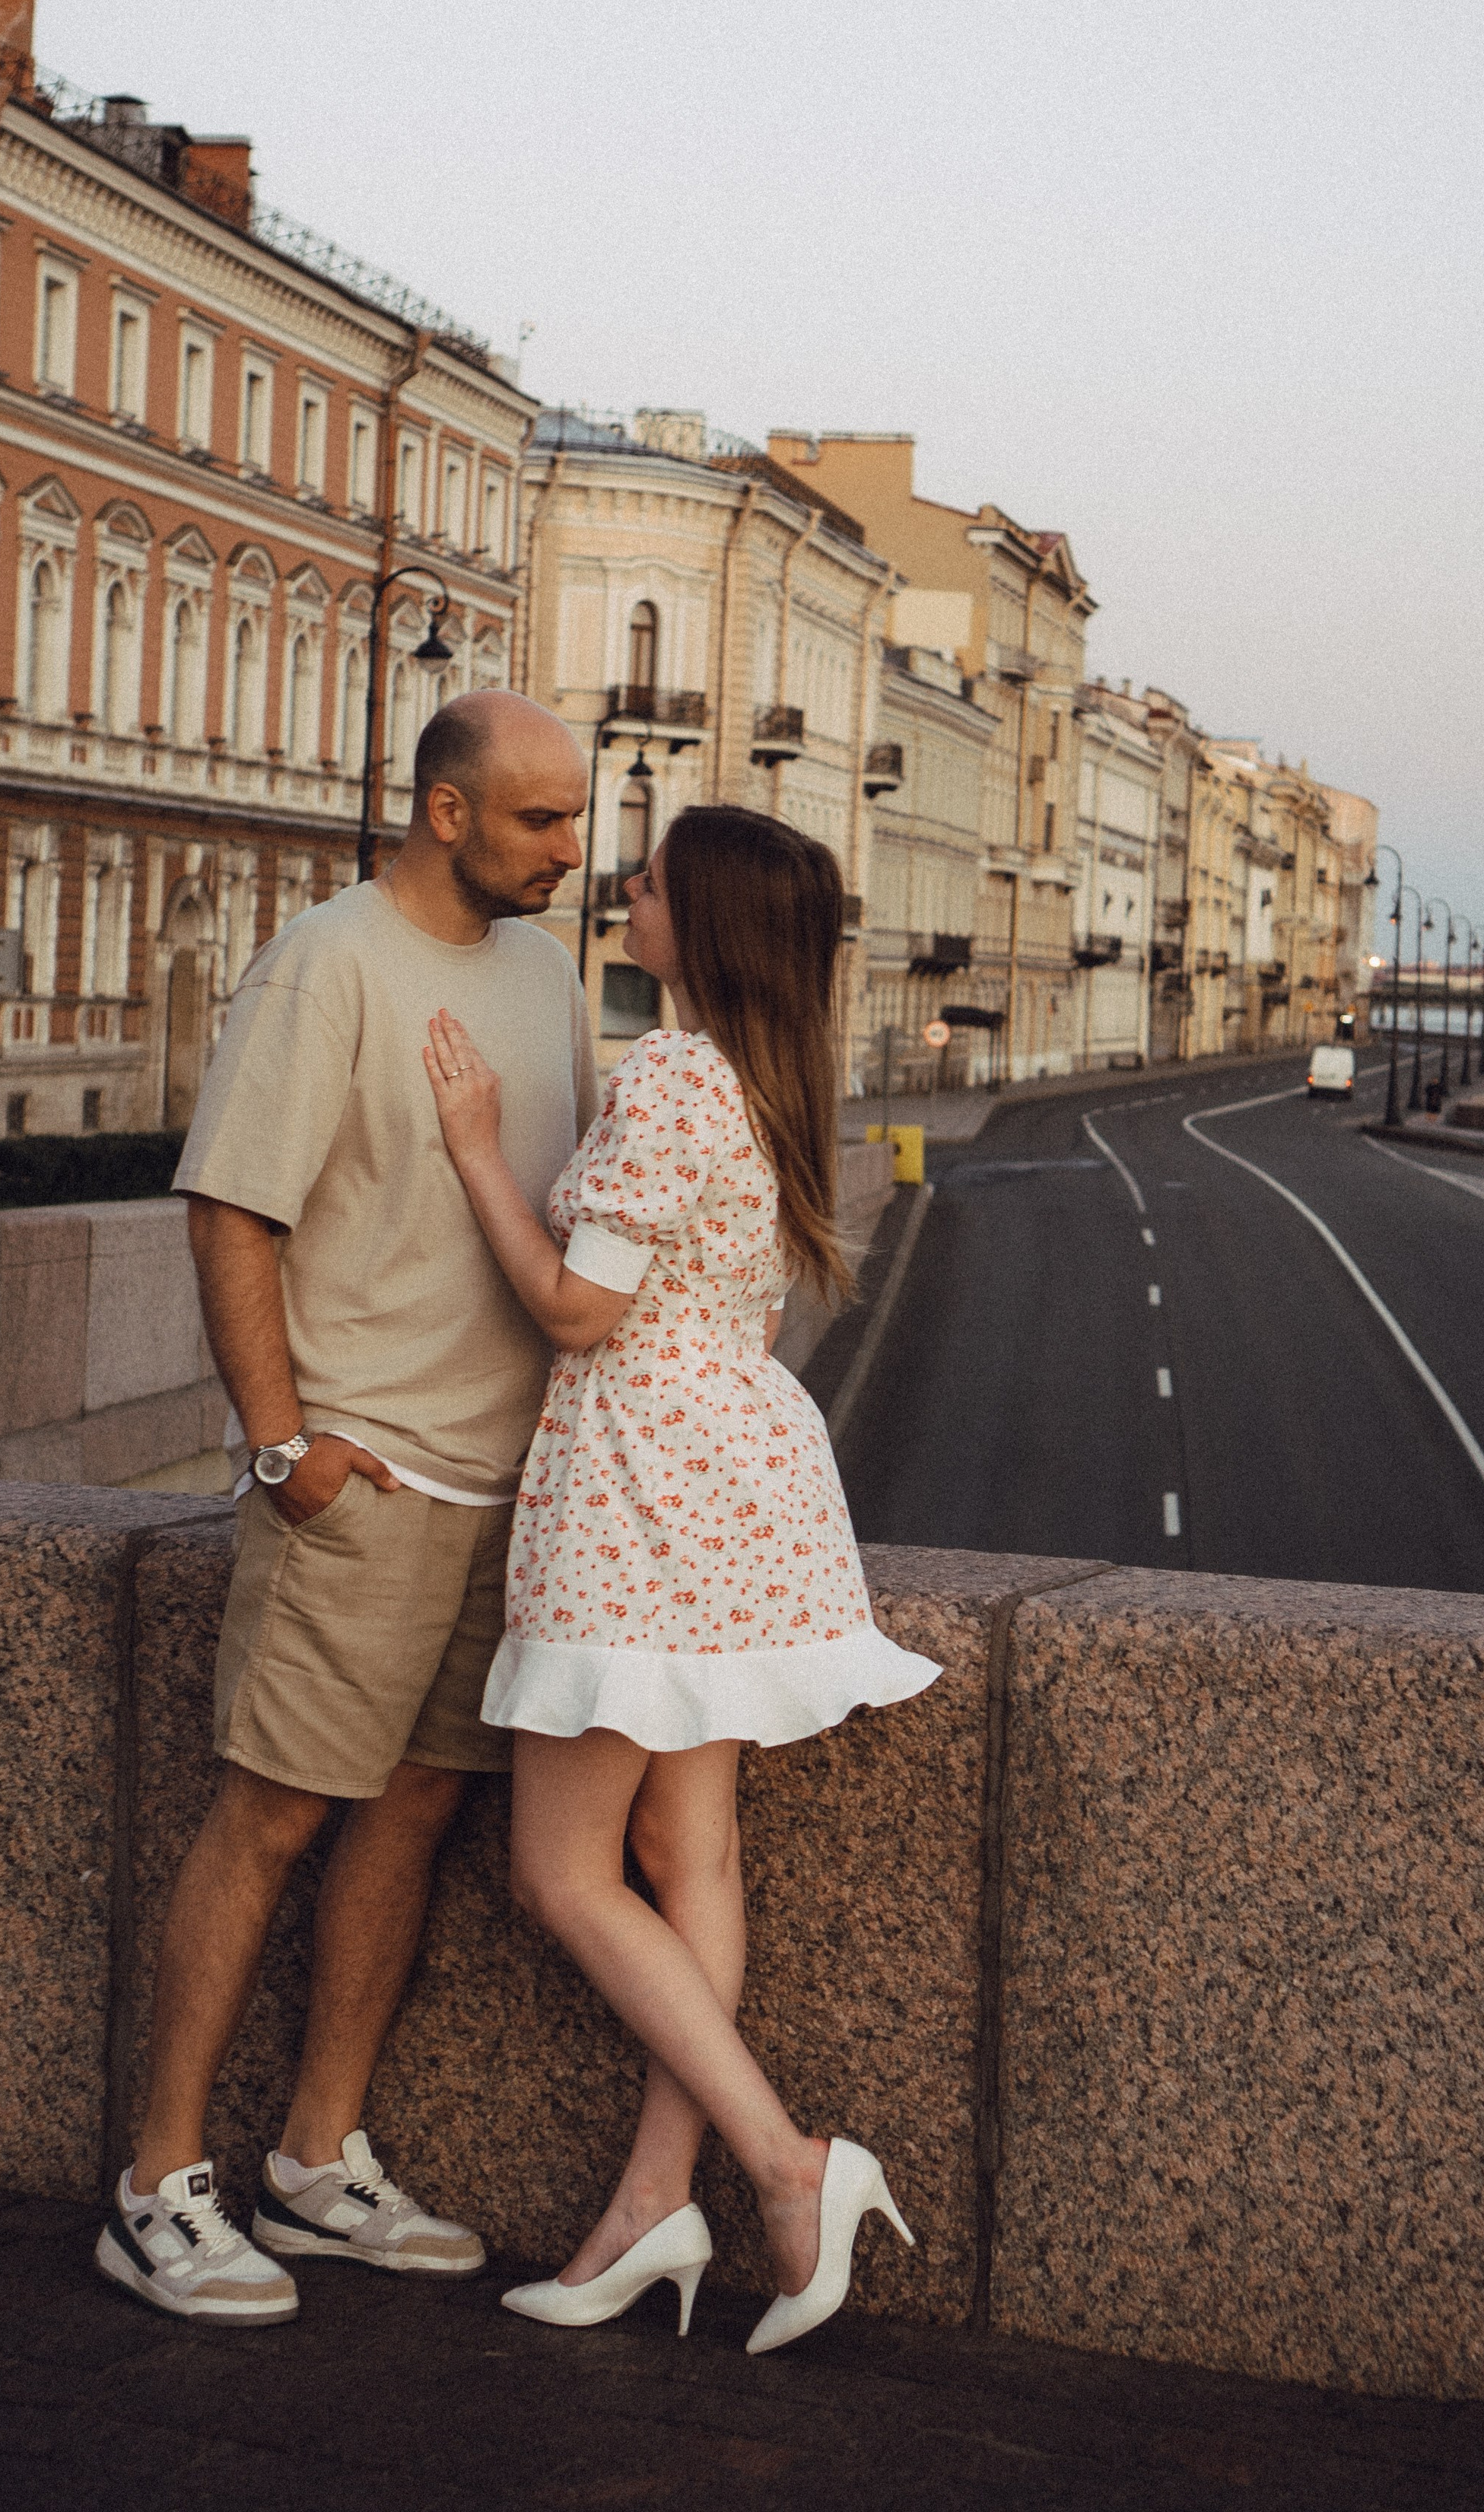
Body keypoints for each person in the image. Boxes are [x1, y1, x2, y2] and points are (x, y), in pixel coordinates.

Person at [95, 690, 597, 2328]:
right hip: (361, 1474)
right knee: (271, 1816)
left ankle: (317, 2162)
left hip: (504, 1478)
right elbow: (231, 1209)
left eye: (574, 820)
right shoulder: (325, 963)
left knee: (412, 1815)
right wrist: (277, 1443)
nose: (568, 852)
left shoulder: (542, 970)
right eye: (539, 821)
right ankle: (158, 2187)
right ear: (447, 813)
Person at [421, 803, 939, 2356]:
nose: (622, 892)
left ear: (697, 922)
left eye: (646, 882)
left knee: (563, 1873)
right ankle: (653, 2205)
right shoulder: (773, 1081)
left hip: (638, 1487)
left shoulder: (669, 1074)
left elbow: (578, 1313)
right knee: (684, 1847)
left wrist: (472, 1157)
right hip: (745, 1481)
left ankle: (785, 2163)